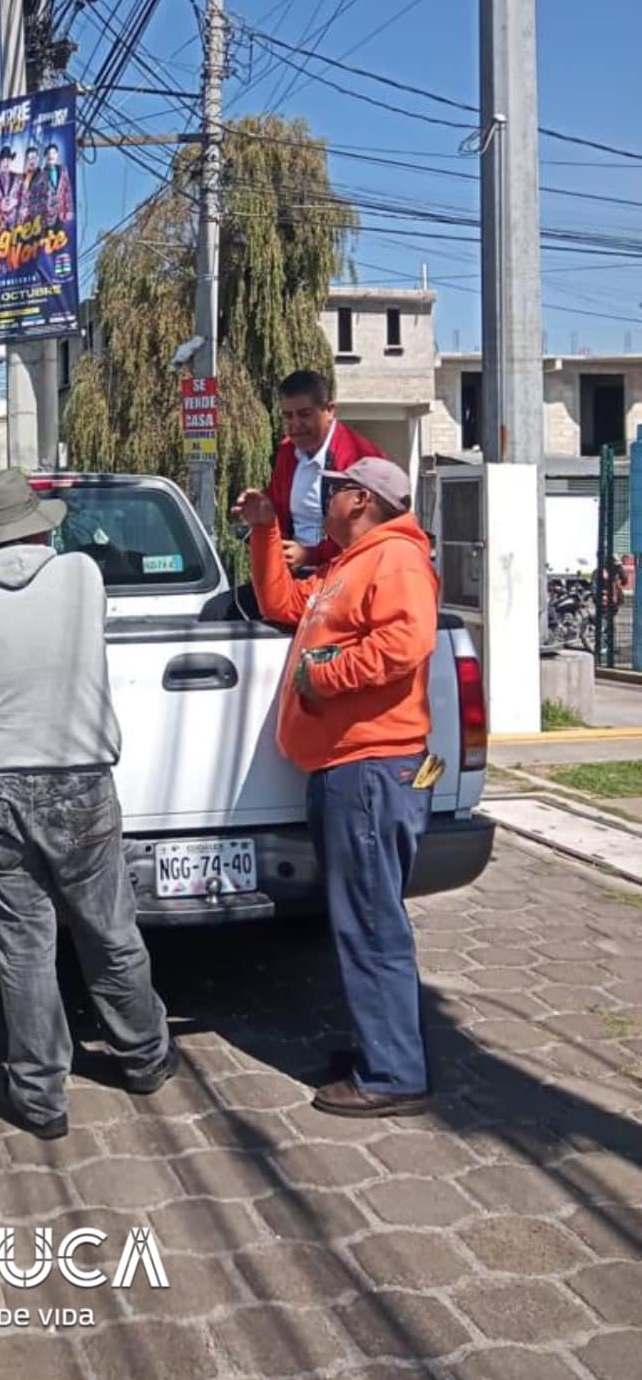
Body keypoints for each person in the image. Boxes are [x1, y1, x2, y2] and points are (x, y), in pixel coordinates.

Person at [0, 470, 175, 1138]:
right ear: (40, 525)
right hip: (79, 779)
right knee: (109, 931)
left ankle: (40, 1097)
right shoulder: (82, 577)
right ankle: (146, 1058)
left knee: (25, 946)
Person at [235, 457, 439, 1118]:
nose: (323, 499)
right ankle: (378, 1051)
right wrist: (265, 532)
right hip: (348, 768)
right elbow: (282, 604)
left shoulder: (396, 560)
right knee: (360, 917)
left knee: (372, 922)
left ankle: (392, 1074)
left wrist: (325, 678)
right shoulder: (351, 563)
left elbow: (407, 643)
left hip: (372, 769)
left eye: (333, 490)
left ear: (361, 499)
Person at [268, 369, 384, 572]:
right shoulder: (287, 451)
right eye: (287, 416)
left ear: (329, 410)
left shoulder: (361, 458)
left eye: (304, 414)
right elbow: (276, 505)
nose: (295, 424)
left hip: (348, 576)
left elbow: (365, 534)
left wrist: (310, 555)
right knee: (224, 604)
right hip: (294, 574)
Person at [0, 145, 23, 226]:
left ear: (11, 161)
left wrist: (16, 202)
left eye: (8, 160)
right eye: (3, 161)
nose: (6, 163)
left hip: (16, 222)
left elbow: (26, 197)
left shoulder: (19, 179)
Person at [17, 146, 43, 225]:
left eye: (34, 158)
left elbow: (45, 200)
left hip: (38, 220)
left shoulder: (44, 176)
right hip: (23, 221)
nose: (32, 161)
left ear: (38, 158)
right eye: (29, 158)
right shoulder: (22, 177)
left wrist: (28, 209)